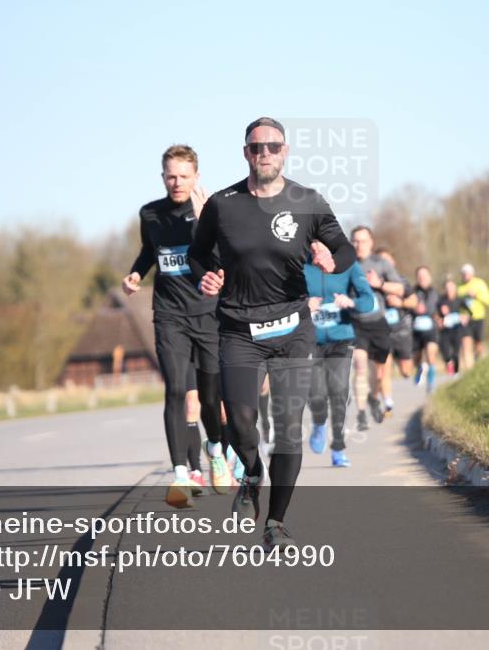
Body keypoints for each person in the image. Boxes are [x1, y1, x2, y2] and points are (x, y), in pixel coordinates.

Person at [188, 117, 355, 551]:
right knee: (242, 421)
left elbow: (346, 248)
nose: (265, 154)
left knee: (287, 426)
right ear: (246, 153)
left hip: (292, 328)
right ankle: (251, 472)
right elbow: (196, 254)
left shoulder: (307, 201)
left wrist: (330, 259)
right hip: (239, 329)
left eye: (273, 146)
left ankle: (276, 522)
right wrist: (207, 276)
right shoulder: (223, 204)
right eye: (256, 147)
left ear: (285, 151)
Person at [122, 144, 231, 509]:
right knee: (175, 391)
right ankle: (181, 475)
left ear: (196, 177)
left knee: (211, 398)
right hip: (169, 314)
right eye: (171, 175)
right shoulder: (150, 214)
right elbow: (149, 251)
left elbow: (221, 257)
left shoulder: (211, 210)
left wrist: (203, 218)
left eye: (184, 176)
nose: (177, 182)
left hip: (208, 314)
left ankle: (214, 448)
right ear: (162, 175)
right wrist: (137, 272)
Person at [304, 240, 375, 466]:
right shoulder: (299, 265)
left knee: (338, 391)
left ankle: (338, 448)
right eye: (312, 249)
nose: (316, 253)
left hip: (340, 339)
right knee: (316, 394)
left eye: (320, 248)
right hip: (310, 341)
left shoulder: (348, 265)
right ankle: (318, 422)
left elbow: (368, 300)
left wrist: (350, 301)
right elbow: (283, 298)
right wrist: (303, 305)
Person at [349, 227, 406, 430]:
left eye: (362, 241)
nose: (358, 245)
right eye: (355, 241)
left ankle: (373, 397)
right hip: (356, 324)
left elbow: (400, 288)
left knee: (378, 373)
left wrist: (379, 284)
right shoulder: (346, 264)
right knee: (360, 366)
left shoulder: (381, 264)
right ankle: (362, 413)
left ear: (371, 242)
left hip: (378, 324)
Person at [376, 248, 414, 417]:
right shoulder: (371, 283)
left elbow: (414, 302)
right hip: (382, 332)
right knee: (384, 370)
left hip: (402, 331)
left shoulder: (401, 281)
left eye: (387, 261)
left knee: (407, 371)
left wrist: (400, 302)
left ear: (393, 263)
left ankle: (401, 362)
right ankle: (388, 404)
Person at [456, 263, 489, 371]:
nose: (465, 276)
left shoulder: (480, 283)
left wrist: (476, 295)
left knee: (479, 345)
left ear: (472, 273)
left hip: (478, 318)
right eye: (463, 274)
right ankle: (469, 370)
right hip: (465, 320)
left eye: (467, 273)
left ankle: (479, 364)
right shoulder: (459, 287)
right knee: (466, 344)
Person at [410, 266, 441, 394]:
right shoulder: (412, 292)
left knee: (431, 354)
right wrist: (414, 308)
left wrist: (439, 316)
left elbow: (438, 309)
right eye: (420, 276)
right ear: (417, 278)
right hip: (415, 330)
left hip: (431, 329)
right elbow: (407, 307)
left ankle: (431, 384)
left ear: (430, 277)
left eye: (425, 275)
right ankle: (420, 368)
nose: (422, 278)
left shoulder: (435, 293)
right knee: (416, 358)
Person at [437, 277, 469, 376]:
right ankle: (448, 364)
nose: (449, 290)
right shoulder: (441, 300)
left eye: (451, 288)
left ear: (455, 289)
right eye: (447, 288)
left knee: (456, 351)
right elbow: (435, 314)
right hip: (445, 330)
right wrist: (440, 318)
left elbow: (469, 312)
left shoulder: (460, 300)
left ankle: (456, 372)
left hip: (457, 329)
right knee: (445, 350)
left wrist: (465, 317)